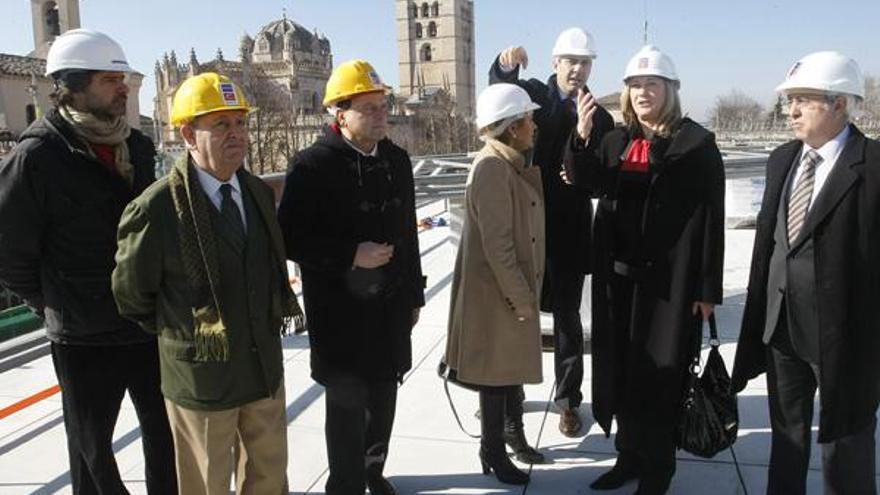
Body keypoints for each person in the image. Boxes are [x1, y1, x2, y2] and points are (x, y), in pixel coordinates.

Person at [0, 29, 176, 494]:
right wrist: (56, 303)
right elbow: (10, 250)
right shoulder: (36, 157)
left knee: (166, 437)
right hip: (83, 337)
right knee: (92, 451)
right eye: (108, 79)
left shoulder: (137, 147)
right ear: (73, 86)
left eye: (122, 79)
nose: (123, 88)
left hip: (145, 324)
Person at [112, 72, 303, 495]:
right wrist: (190, 334)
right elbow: (133, 297)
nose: (236, 134)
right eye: (220, 125)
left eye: (240, 123)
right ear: (187, 134)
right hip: (203, 380)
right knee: (206, 484)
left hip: (262, 370)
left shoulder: (255, 192)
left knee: (270, 479)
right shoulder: (156, 209)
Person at [563, 45, 725, 494]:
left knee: (660, 376)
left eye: (651, 84)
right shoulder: (617, 139)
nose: (642, 93)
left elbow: (713, 218)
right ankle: (628, 457)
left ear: (670, 91)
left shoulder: (697, 145)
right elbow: (587, 180)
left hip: (669, 285)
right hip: (619, 282)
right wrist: (580, 134)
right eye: (634, 86)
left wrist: (708, 289)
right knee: (622, 371)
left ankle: (658, 469)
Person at [731, 51, 880, 495]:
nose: (790, 111)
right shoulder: (782, 160)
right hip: (781, 329)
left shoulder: (872, 166)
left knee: (846, 446)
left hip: (845, 336)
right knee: (787, 437)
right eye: (788, 100)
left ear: (840, 105)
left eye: (804, 100)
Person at [277, 59, 425, 495]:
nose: (383, 114)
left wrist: (414, 295)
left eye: (384, 105)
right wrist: (349, 255)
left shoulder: (396, 160)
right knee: (345, 409)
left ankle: (372, 473)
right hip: (339, 313)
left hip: (390, 307)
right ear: (340, 114)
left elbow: (408, 234)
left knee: (383, 398)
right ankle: (344, 485)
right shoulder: (311, 166)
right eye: (370, 107)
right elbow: (290, 238)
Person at [489, 27, 615, 441]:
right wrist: (505, 65)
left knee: (566, 319)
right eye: (571, 61)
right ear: (555, 63)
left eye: (585, 62)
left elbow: (597, 181)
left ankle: (568, 401)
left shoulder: (600, 116)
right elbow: (498, 96)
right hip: (525, 222)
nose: (578, 69)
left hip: (568, 228)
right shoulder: (532, 97)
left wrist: (581, 138)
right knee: (516, 311)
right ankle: (511, 395)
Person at [443, 83, 544, 486]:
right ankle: (492, 450)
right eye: (529, 119)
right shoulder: (492, 167)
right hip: (497, 294)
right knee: (495, 376)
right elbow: (498, 244)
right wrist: (521, 299)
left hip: (502, 290)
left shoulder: (507, 161)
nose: (534, 126)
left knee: (503, 374)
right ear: (514, 125)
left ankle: (500, 446)